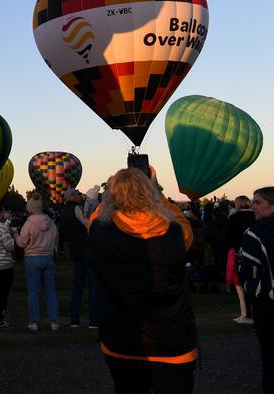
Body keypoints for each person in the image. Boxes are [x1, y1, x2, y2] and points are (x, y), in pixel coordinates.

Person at [87, 168, 198, 394]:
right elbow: (183, 224)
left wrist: (112, 194)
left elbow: (95, 217)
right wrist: (157, 192)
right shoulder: (175, 232)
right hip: (172, 341)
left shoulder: (99, 231)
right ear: (150, 192)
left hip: (121, 341)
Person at [238, 187, 274, 393]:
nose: (253, 207)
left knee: (269, 357)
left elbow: (247, 271)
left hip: (268, 305)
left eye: (258, 202)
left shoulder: (255, 233)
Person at [16, 195, 59, 331]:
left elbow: (22, 243)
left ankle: (33, 322)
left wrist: (15, 236)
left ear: (30, 209)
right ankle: (54, 322)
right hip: (48, 257)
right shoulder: (51, 223)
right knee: (50, 291)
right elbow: (56, 239)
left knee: (34, 291)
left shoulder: (28, 224)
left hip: (33, 259)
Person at [61, 188, 99, 329]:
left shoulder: (64, 211)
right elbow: (86, 224)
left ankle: (74, 319)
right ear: (71, 197)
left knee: (78, 285)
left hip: (75, 250)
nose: (79, 196)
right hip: (86, 250)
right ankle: (93, 320)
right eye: (77, 194)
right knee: (93, 285)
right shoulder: (77, 208)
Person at [226, 195, 257, 323]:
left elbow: (228, 236)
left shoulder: (234, 218)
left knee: (240, 284)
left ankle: (246, 313)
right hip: (256, 252)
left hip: (240, 252)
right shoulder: (257, 216)